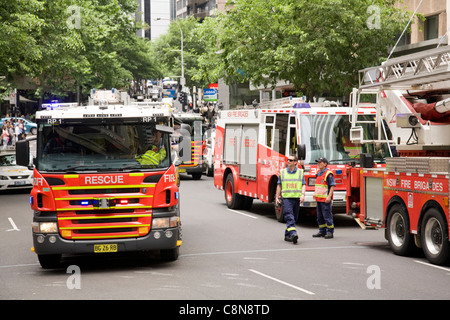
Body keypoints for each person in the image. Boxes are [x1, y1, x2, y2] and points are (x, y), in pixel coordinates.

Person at [275, 154, 306, 244]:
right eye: (288, 160)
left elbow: (303, 184)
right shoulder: (283, 172)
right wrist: (277, 197)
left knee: (294, 218)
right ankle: (293, 234)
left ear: (295, 162)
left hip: (296, 198)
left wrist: (303, 195)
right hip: (287, 198)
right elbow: (279, 185)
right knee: (289, 216)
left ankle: (287, 235)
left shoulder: (300, 172)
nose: (288, 161)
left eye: (291, 160)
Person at [313, 157, 336, 239]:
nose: (318, 164)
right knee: (319, 216)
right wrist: (315, 193)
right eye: (318, 162)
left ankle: (330, 232)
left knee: (327, 216)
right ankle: (322, 231)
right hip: (319, 199)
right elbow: (318, 185)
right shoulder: (318, 172)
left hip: (325, 200)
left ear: (325, 164)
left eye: (320, 162)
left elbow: (332, 186)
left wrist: (329, 197)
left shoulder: (328, 174)